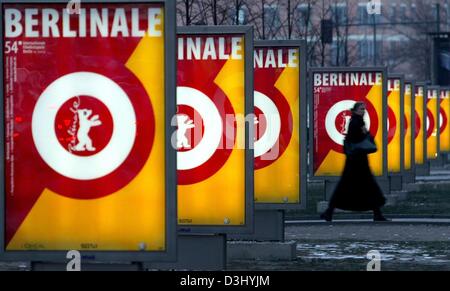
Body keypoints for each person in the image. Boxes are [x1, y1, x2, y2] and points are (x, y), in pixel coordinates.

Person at [320, 102, 389, 222]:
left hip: (355, 160)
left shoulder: (355, 121)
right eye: (361, 109)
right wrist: (366, 134)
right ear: (356, 110)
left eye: (364, 109)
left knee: (349, 186)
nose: (363, 111)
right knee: (367, 186)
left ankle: (329, 211)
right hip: (358, 160)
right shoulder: (357, 122)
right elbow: (360, 137)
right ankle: (377, 213)